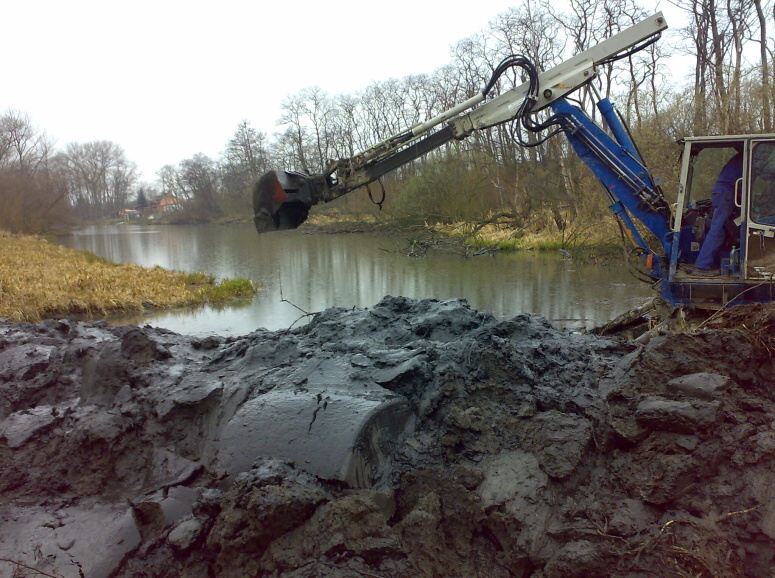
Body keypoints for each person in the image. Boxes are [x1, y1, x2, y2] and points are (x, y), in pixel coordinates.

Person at [691, 152, 744, 275]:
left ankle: (704, 264)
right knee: (718, 227)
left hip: (724, 192)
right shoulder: (750, 156)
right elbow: (765, 174)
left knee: (719, 231)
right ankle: (701, 266)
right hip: (726, 192)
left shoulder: (741, 158)